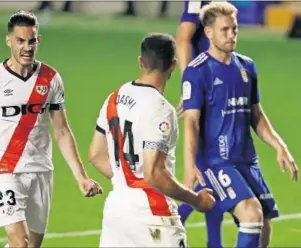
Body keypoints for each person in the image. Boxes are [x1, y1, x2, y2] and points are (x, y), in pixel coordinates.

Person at [0, 10, 102, 248]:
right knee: (20, 242)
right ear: (9, 40)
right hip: (4, 168)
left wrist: (81, 177)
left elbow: (61, 131)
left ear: (38, 40)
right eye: (21, 41)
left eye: (32, 41)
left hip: (41, 168)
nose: (27, 47)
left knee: (31, 246)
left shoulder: (50, 78)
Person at [182, 2, 298, 248]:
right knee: (251, 214)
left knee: (263, 228)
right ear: (209, 32)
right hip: (217, 161)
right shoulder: (197, 71)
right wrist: (190, 166)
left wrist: (280, 146)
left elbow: (256, 115)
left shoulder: (246, 66)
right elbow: (191, 122)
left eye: (234, 29)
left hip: (247, 159)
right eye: (225, 30)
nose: (232, 35)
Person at [88, 33, 215, 247]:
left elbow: (95, 154)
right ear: (173, 66)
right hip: (153, 215)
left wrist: (126, 180)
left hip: (117, 210)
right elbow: (154, 173)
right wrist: (196, 200)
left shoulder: (114, 98)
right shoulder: (160, 109)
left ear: (141, 61)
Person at [175, 1, 226, 247]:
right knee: (215, 165)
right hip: (205, 88)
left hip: (219, 85)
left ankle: (212, 241)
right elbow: (183, 38)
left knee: (215, 166)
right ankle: (175, 221)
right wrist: (190, 83)